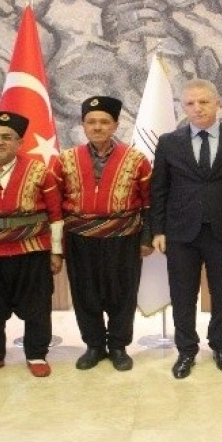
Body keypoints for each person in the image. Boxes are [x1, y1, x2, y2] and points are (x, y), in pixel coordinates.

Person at [150, 78, 222, 379]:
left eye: (204, 102)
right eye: (190, 103)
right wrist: (157, 230)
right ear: (183, 107)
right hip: (181, 233)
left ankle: (221, 346)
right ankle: (186, 351)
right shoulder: (169, 142)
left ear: (217, 103)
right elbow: (159, 189)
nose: (197, 109)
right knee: (183, 295)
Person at [0, 111, 63, 379]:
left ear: (19, 142)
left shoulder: (41, 172)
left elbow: (55, 215)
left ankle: (36, 354)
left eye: (7, 137)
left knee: (38, 307)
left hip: (32, 253)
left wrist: (56, 251)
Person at [59, 96, 153, 371]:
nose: (97, 127)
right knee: (84, 292)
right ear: (83, 125)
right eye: (91, 122)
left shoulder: (136, 159)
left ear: (116, 125)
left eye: (104, 122)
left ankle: (119, 346)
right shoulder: (65, 160)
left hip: (124, 237)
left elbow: (149, 202)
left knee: (122, 293)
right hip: (79, 238)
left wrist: (146, 238)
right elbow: (55, 205)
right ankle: (94, 345)